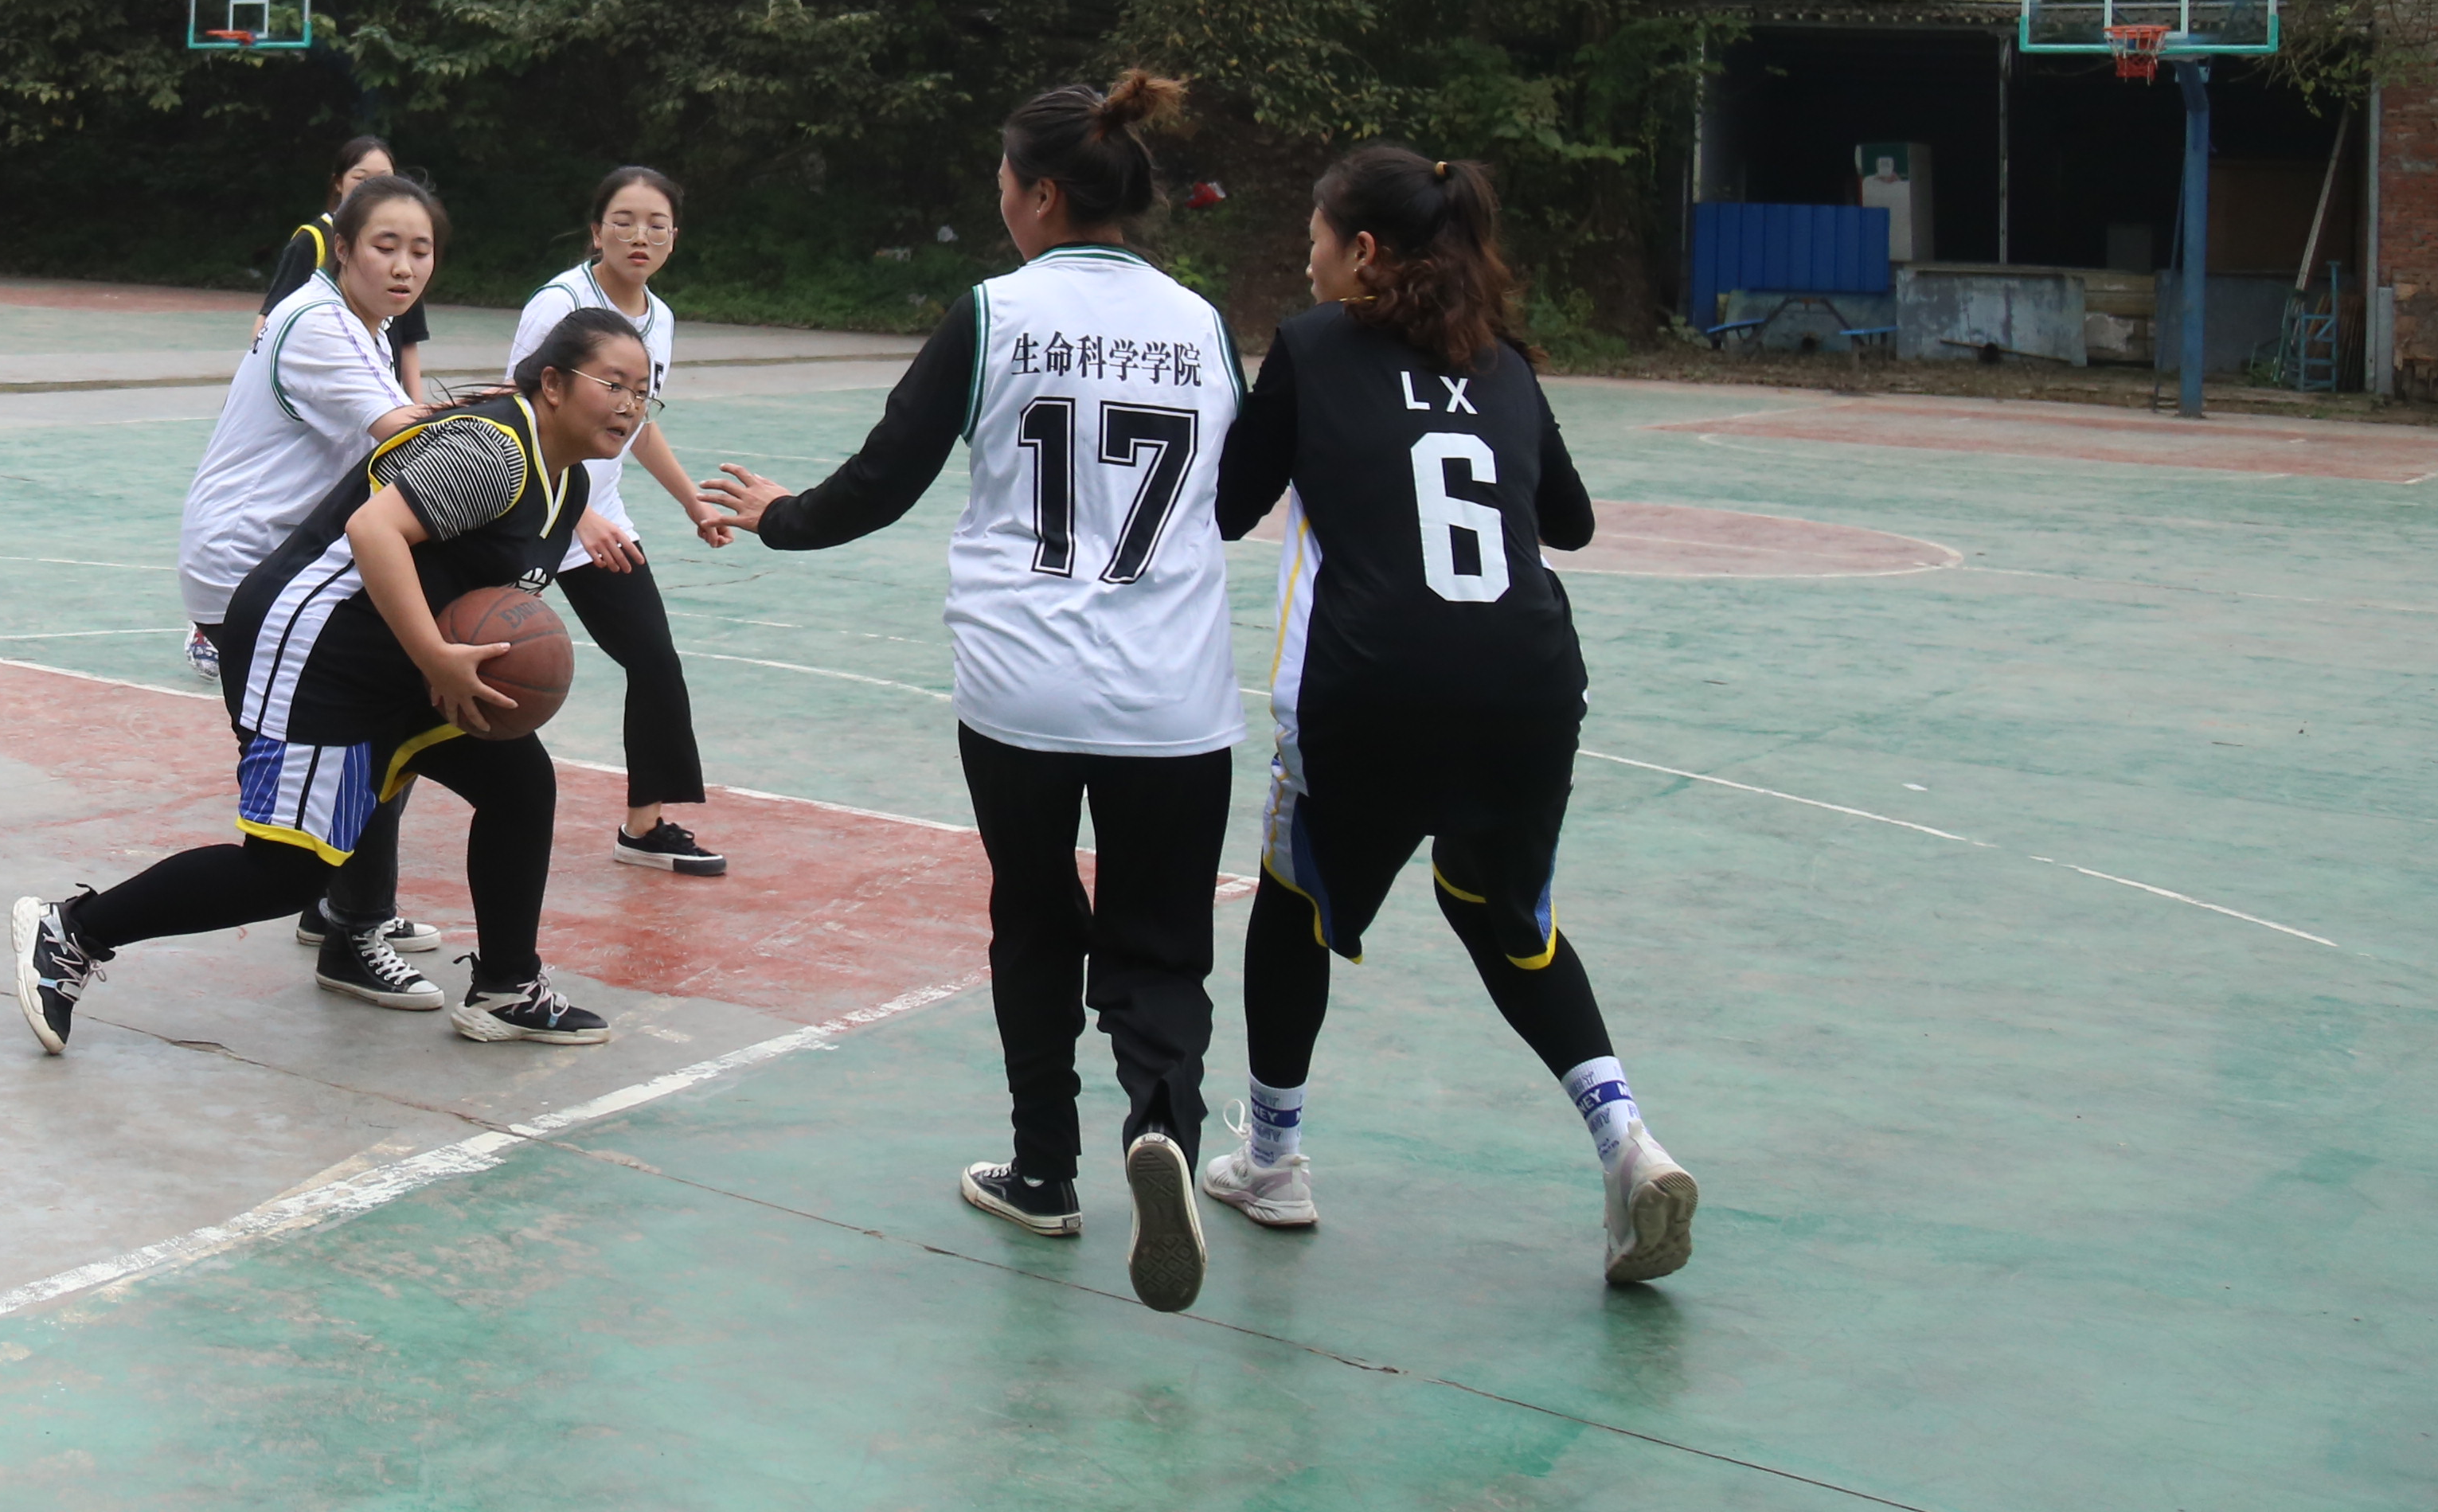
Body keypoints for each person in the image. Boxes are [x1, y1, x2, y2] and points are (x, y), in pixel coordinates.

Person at [700, 78, 1237, 1315]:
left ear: (1042, 195)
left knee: (1035, 914)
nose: (998, 199)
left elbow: (885, 477)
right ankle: (1164, 1127)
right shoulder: (1201, 326)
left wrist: (780, 517)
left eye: (1002, 180)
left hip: (1022, 683)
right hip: (1172, 689)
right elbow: (1239, 486)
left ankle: (1044, 1171)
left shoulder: (995, 313)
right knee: (1161, 938)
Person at [1201, 146, 1696, 1287]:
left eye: (1317, 237)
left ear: (1363, 252)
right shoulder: (1502, 361)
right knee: (1501, 912)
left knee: (1296, 905)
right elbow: (1570, 523)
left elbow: (1228, 506)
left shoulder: (1313, 347)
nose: (1308, 258)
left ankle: (1273, 1161)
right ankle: (1626, 1139)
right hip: (1529, 687)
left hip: (1373, 687)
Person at [12, 311, 654, 1058]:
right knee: (287, 872)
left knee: (519, 783)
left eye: (644, 392)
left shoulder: (565, 485)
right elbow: (373, 532)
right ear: (553, 384)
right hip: (315, 645)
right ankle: (74, 930)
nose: (629, 405)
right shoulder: (494, 452)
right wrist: (435, 654)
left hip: (397, 658)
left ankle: (507, 988)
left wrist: (454, 657)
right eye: (614, 384)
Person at [171, 170, 446, 997]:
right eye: (386, 246)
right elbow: (404, 435)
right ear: (344, 249)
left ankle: (342, 911)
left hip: (279, 563)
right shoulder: (321, 324)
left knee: (376, 732)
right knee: (356, 745)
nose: (404, 265)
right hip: (253, 567)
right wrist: (519, 428)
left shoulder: (361, 326)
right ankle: (344, 922)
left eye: (421, 249)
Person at [505, 166, 725, 875]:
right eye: (624, 221)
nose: (640, 236)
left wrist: (692, 501)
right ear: (596, 230)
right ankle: (367, 827)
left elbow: (639, 424)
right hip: (527, 507)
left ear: (674, 238)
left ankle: (644, 825)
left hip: (601, 519)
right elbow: (516, 410)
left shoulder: (661, 318)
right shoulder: (562, 304)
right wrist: (577, 512)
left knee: (654, 659)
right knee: (461, 653)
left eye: (656, 224)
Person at [261, 135, 432, 400]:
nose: (403, 268)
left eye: (383, 179)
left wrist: (416, 408)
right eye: (361, 178)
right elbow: (268, 321)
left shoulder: (404, 259)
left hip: (382, 394)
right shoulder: (313, 241)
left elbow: (409, 339)